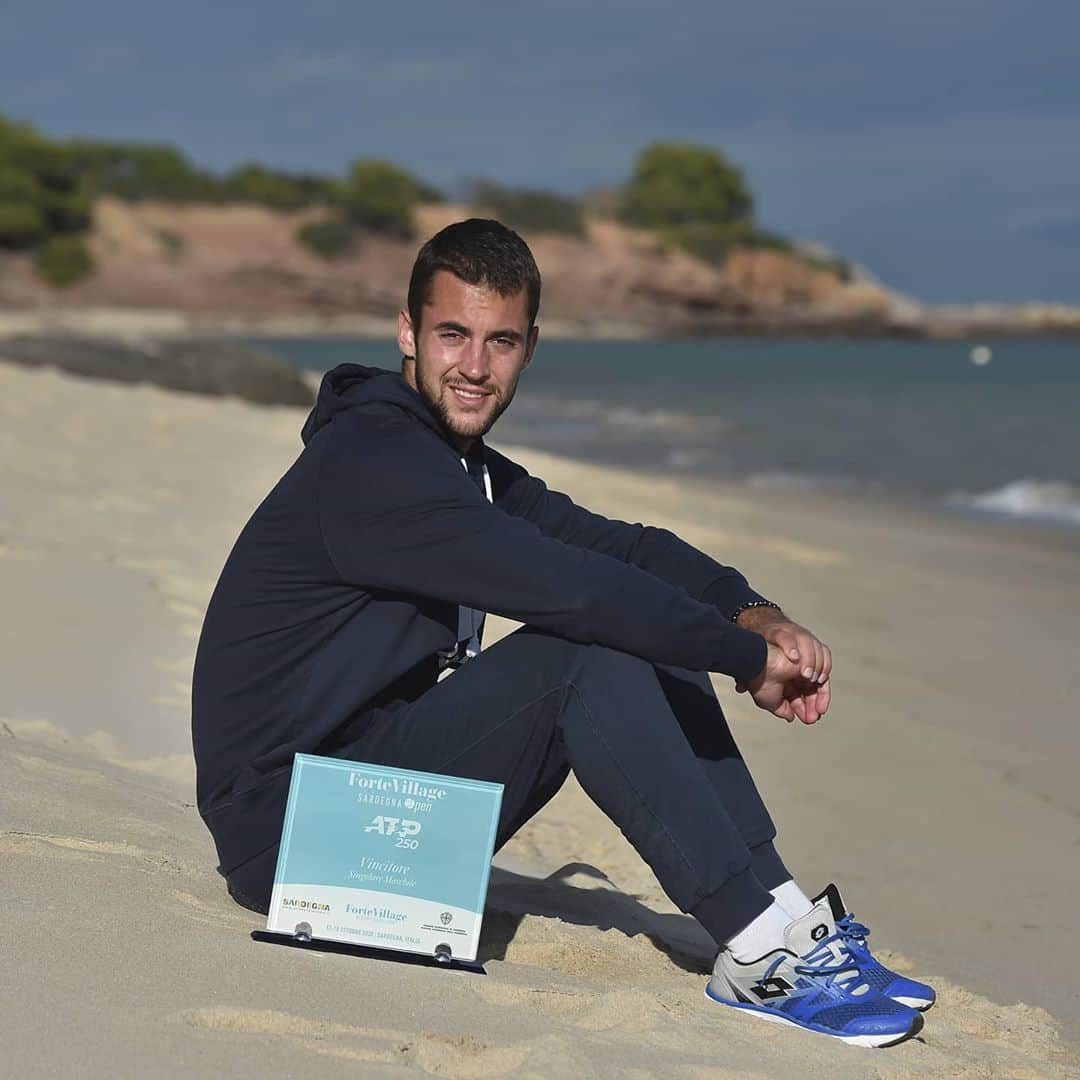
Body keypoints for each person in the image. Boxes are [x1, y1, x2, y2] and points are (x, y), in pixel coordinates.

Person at [192, 218, 934, 1048]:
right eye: (452, 335)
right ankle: (755, 947)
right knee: (588, 644)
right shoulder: (375, 464)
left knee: (636, 617)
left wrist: (748, 610)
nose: (475, 366)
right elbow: (575, 594)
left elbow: (613, 547)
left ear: (531, 348)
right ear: (408, 332)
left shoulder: (452, 461)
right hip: (292, 841)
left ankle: (787, 921)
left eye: (500, 341)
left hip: (368, 792)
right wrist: (746, 660)